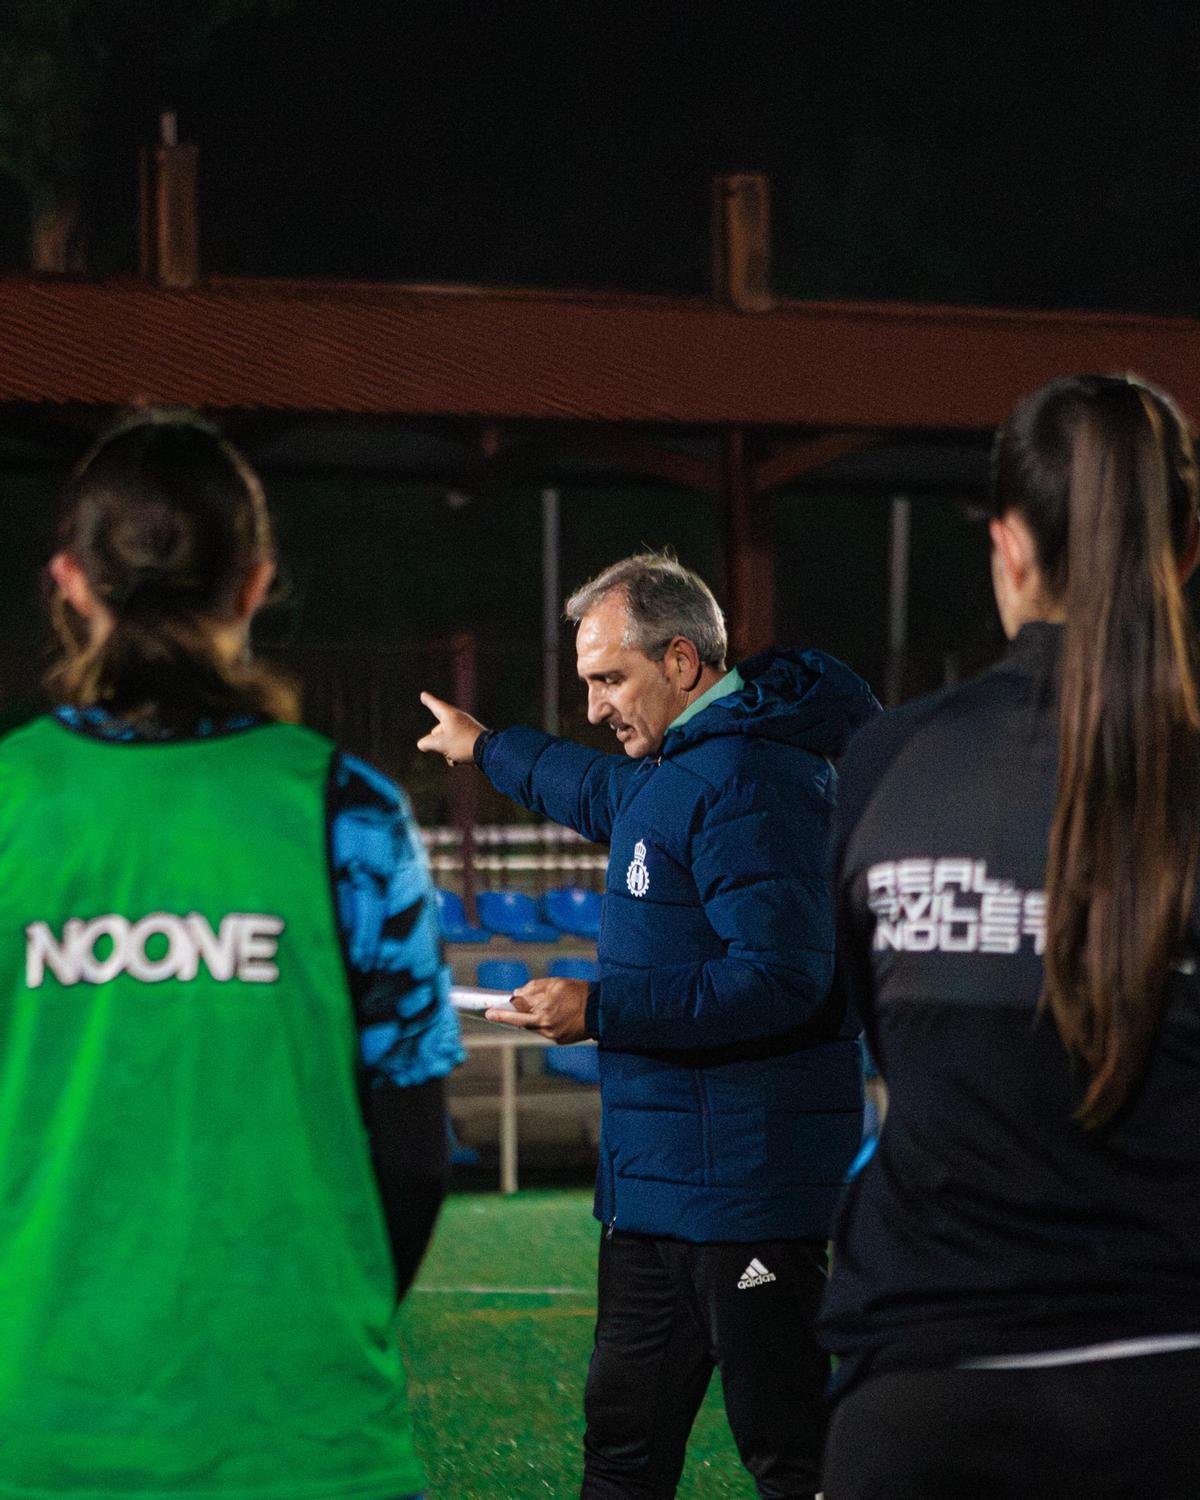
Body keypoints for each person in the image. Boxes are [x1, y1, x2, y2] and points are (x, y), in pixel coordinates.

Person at [0, 410, 461, 1499]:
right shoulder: (350, 812)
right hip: (304, 1432)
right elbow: (413, 1151)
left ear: (71, 581)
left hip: (49, 1427)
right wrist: (315, 1325)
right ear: (252, 585)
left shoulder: (8, 807)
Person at [419, 553, 879, 1500]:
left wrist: (601, 1009)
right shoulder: (672, 771)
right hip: (653, 1200)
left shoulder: (752, 779)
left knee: (795, 1460)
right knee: (622, 1454)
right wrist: (485, 745)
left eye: (608, 680)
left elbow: (783, 979)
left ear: (680, 660)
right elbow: (583, 787)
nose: (594, 708)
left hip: (744, 1194)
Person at [818, 374, 1200, 1499]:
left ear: (1010, 550)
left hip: (926, 1399)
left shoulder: (891, 763)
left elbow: (891, 1043)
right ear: (1183, 549)